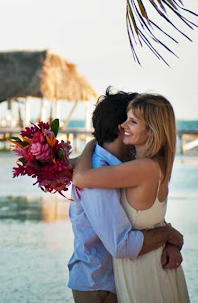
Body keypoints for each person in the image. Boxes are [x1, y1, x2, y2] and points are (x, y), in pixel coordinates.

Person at [68, 89, 184, 303]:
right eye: (127, 121)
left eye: (133, 121)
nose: (126, 126)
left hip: (126, 277)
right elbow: (122, 245)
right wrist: (168, 235)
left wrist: (170, 239)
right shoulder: (99, 171)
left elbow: (147, 220)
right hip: (99, 283)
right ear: (119, 129)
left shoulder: (131, 168)